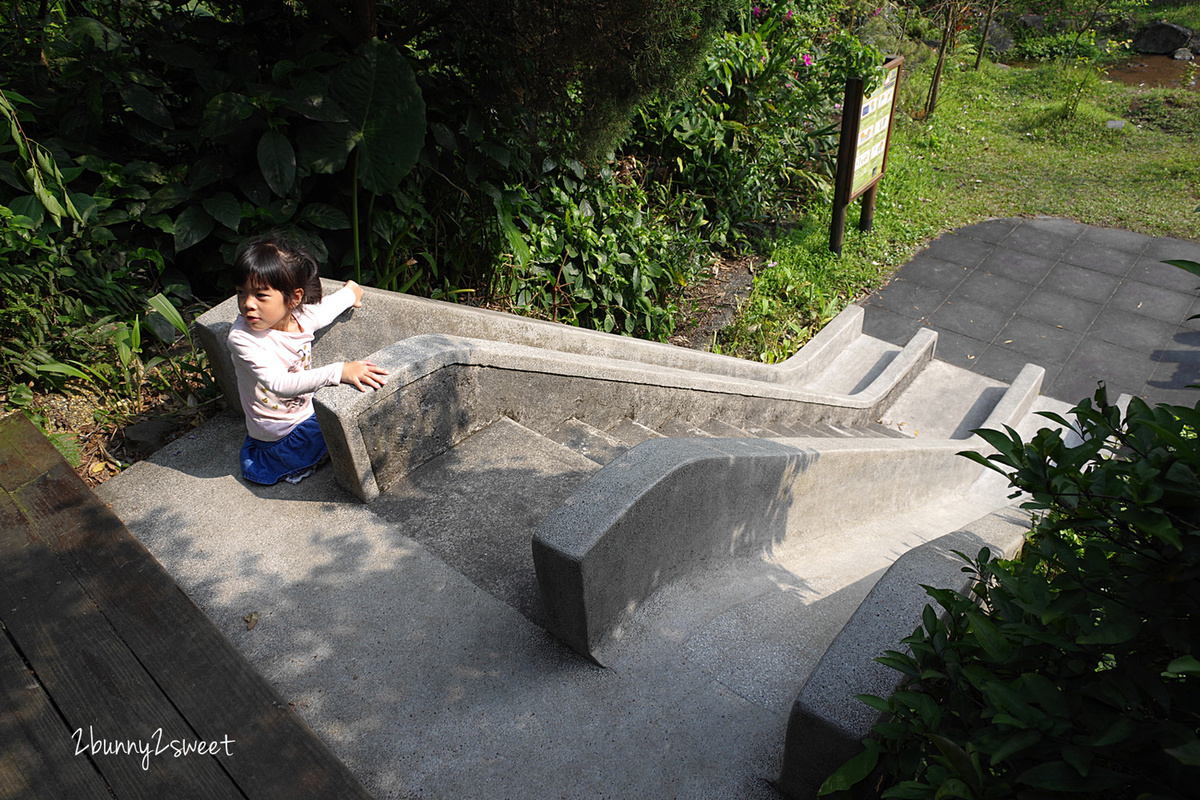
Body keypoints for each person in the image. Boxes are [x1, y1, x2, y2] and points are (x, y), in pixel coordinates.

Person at [227, 233, 388, 485]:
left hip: (304, 414)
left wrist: (350, 293)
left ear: (294, 298)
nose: (248, 304)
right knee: (355, 428)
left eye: (260, 295)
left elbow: (324, 310)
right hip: (280, 436)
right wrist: (339, 371)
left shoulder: (300, 317)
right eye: (241, 293)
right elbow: (279, 384)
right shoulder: (243, 339)